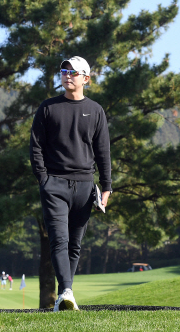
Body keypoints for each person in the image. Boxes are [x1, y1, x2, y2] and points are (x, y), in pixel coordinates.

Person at [30, 56, 112, 312]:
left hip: (86, 186)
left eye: (74, 72)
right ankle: (66, 291)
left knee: (75, 244)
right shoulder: (48, 107)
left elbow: (102, 151)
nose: (67, 75)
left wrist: (106, 185)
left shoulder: (96, 110)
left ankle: (66, 294)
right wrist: (44, 179)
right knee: (59, 240)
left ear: (86, 78)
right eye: (64, 71)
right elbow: (36, 147)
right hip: (54, 185)